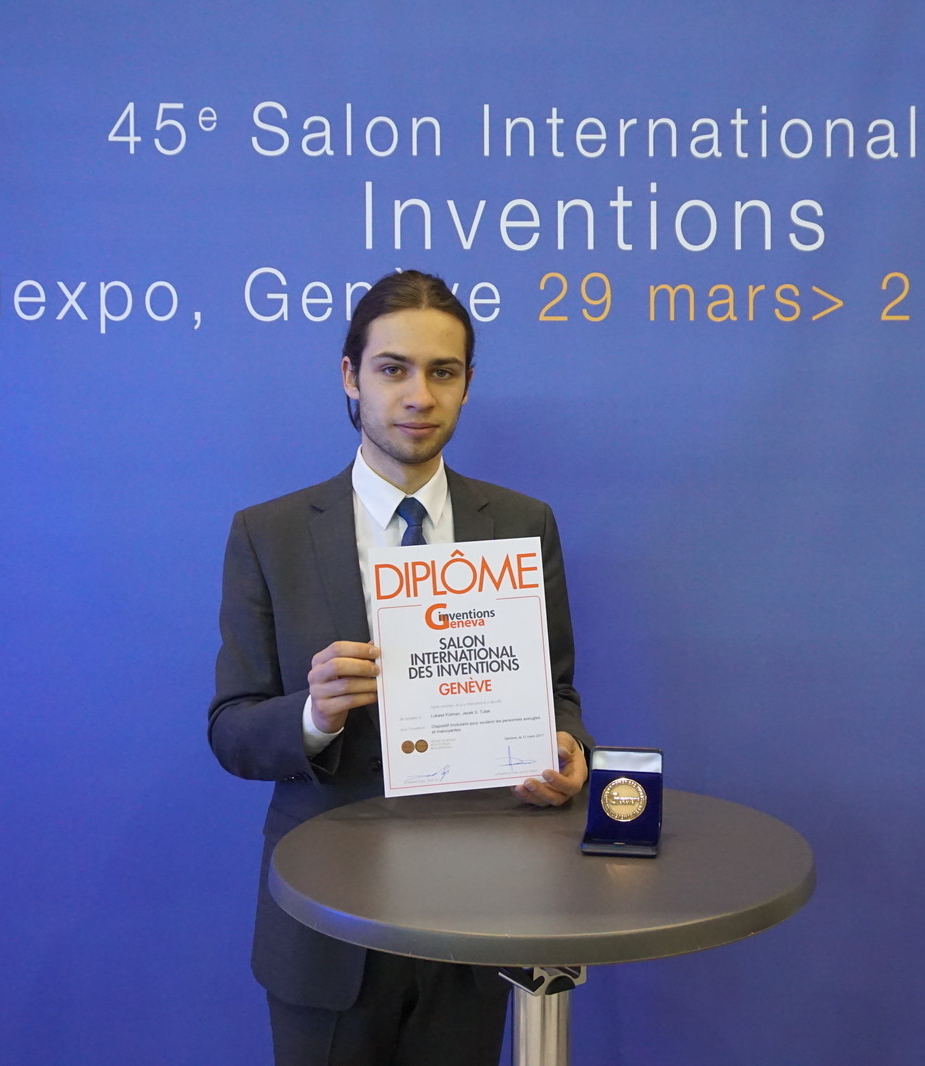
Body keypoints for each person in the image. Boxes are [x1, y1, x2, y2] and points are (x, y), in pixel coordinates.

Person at [207, 269, 592, 1065]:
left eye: (442, 372)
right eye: (394, 369)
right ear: (351, 376)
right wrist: (312, 715)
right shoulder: (269, 535)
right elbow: (231, 731)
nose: (419, 395)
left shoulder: (521, 524)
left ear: (467, 385)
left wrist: (567, 750)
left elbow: (556, 692)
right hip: (326, 928)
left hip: (479, 918)